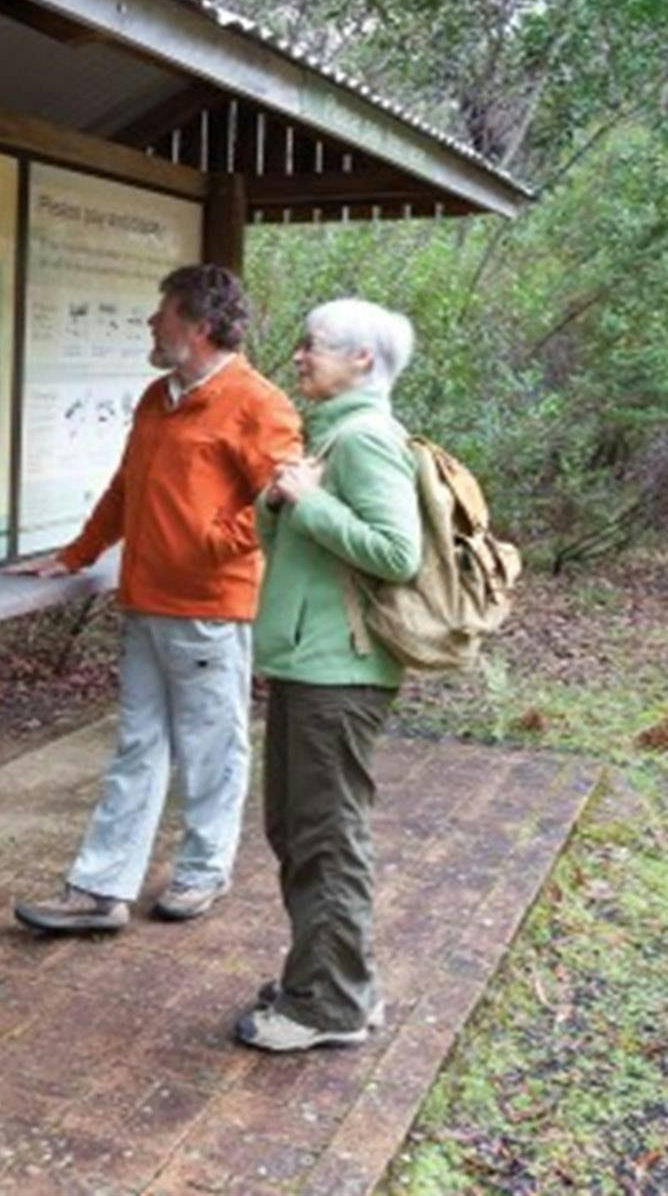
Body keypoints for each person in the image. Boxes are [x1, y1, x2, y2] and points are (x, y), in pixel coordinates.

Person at [9, 264, 300, 934]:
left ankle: (202, 874)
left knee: (211, 747)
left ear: (198, 325)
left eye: (161, 312)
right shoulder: (155, 397)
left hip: (208, 609)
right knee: (138, 744)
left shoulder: (259, 404)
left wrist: (206, 545)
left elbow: (281, 502)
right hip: (144, 603)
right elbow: (125, 488)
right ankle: (101, 890)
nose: (150, 323)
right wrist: (76, 555)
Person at [237, 298, 423, 1052]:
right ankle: (335, 982)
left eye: (313, 346)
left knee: (325, 836)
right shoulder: (337, 437)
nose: (300, 358)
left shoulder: (368, 440)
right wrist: (288, 498)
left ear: (362, 362)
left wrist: (309, 502)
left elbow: (395, 553)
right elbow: (295, 543)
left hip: (338, 673)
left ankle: (328, 1009)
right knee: (300, 827)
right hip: (314, 664)